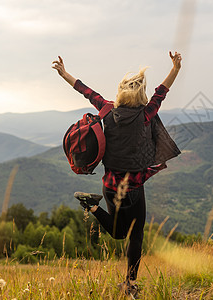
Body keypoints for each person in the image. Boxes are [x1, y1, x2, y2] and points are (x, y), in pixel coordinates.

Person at [52, 51, 182, 295]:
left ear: (121, 91)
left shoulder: (107, 110)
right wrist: (175, 68)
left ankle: (91, 206)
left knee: (119, 232)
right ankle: (130, 285)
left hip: (109, 186)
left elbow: (86, 91)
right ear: (141, 94)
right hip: (132, 189)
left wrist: (64, 73)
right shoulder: (145, 114)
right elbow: (161, 92)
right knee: (135, 236)